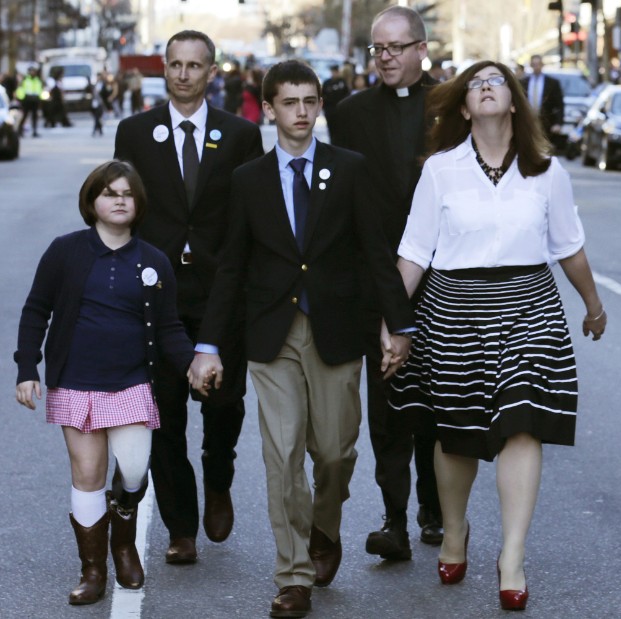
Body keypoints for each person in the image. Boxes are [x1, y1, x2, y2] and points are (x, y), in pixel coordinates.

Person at [187, 59, 415, 619]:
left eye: (310, 101)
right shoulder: (249, 180)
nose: (302, 112)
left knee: (334, 453)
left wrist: (399, 323)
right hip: (271, 335)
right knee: (282, 456)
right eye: (289, 103)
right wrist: (209, 344)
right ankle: (292, 576)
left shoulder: (350, 169)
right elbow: (232, 269)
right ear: (269, 109)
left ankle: (324, 529)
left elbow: (376, 251)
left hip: (338, 330)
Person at [389, 60, 605, 610]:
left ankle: (512, 554)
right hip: (454, 306)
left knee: (523, 422)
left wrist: (593, 304)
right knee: (455, 432)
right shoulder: (440, 169)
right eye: (476, 84)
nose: (486, 89)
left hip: (528, 303)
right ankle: (455, 527)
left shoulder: (546, 170)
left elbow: (568, 245)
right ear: (464, 107)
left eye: (497, 82)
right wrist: (390, 321)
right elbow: (414, 252)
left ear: (514, 101)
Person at [113, 29, 263, 566]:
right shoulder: (134, 132)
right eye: (174, 65)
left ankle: (218, 476)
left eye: (193, 66)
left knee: (224, 404)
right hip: (157, 297)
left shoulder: (241, 135)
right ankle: (181, 526)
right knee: (164, 418)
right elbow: (122, 209)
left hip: (222, 296)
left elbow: (249, 218)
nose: (182, 74)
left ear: (211, 71)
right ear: (164, 70)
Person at [14, 160, 195, 604]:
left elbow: (169, 326)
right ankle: (93, 569)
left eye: (127, 194)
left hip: (133, 381)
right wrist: (26, 368)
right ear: (91, 201)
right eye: (109, 192)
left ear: (138, 204)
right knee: (88, 474)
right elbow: (36, 309)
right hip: (75, 380)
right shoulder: (65, 251)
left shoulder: (153, 262)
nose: (118, 200)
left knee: (133, 470)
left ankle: (124, 539)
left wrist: (192, 364)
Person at [328, 4, 442, 561]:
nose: (386, 58)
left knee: (440, 402)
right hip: (375, 272)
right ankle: (394, 518)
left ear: (423, 48)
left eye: (397, 47)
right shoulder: (348, 113)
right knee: (390, 403)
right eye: (378, 48)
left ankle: (436, 508)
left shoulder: (452, 106)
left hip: (444, 275)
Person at [522, 54, 564, 147]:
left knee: (544, 148)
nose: (536, 67)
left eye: (538, 64)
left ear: (542, 65)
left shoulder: (552, 83)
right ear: (531, 65)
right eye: (534, 64)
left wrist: (558, 123)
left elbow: (559, 104)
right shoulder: (523, 82)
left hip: (547, 122)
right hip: (528, 121)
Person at [321, 64, 350, 139]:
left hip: (340, 110)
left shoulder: (342, 82)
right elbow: (323, 95)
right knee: (331, 128)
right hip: (330, 110)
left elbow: (347, 94)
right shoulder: (327, 83)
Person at [16, 65, 43, 137]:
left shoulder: (38, 80)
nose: (32, 72)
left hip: (35, 100)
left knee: (35, 117)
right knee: (25, 116)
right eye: (31, 71)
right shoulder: (25, 80)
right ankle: (20, 130)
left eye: (33, 71)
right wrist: (20, 99)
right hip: (27, 100)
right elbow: (20, 89)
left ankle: (34, 131)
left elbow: (40, 90)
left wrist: (40, 99)